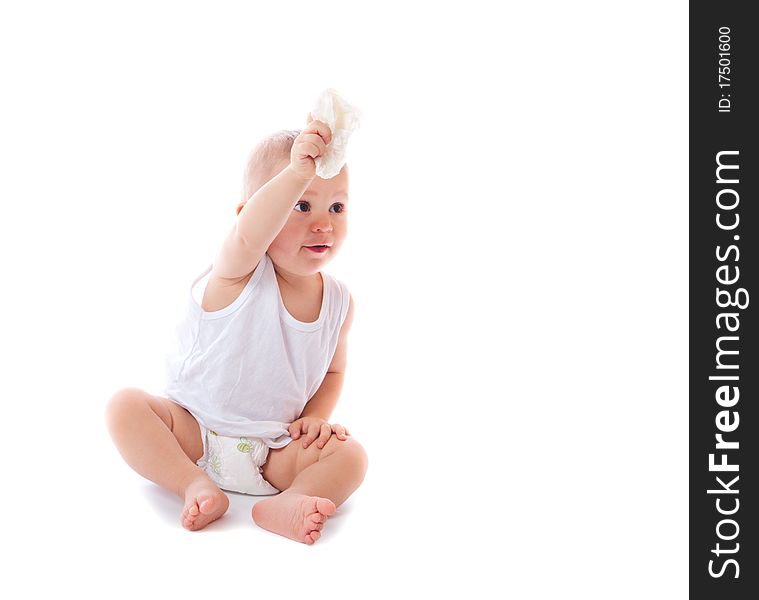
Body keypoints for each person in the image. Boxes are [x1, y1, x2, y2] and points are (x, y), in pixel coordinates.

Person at [105, 114, 368, 545]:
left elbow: (333, 373)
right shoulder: (240, 271)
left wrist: (315, 422)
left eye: (336, 207)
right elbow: (248, 238)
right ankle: (189, 482)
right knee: (125, 407)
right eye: (301, 205)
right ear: (252, 214)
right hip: (192, 430)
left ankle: (291, 500)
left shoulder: (339, 303)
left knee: (352, 457)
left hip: (273, 451)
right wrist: (297, 171)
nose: (324, 224)